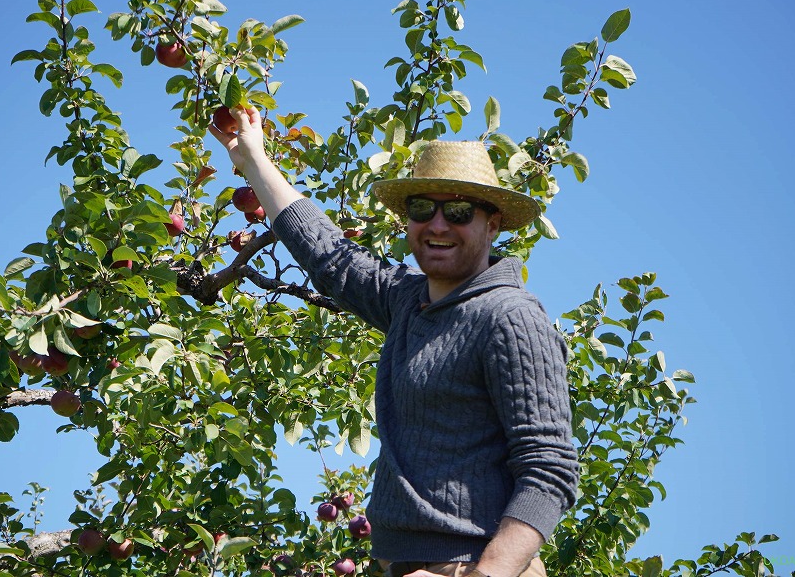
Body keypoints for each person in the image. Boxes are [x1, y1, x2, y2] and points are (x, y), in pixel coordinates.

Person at [210, 108, 579, 577]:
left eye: (460, 211)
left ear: (494, 223)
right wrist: (254, 159)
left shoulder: (510, 317)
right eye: (423, 208)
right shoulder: (409, 299)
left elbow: (549, 470)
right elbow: (327, 253)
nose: (439, 224)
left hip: (471, 566)